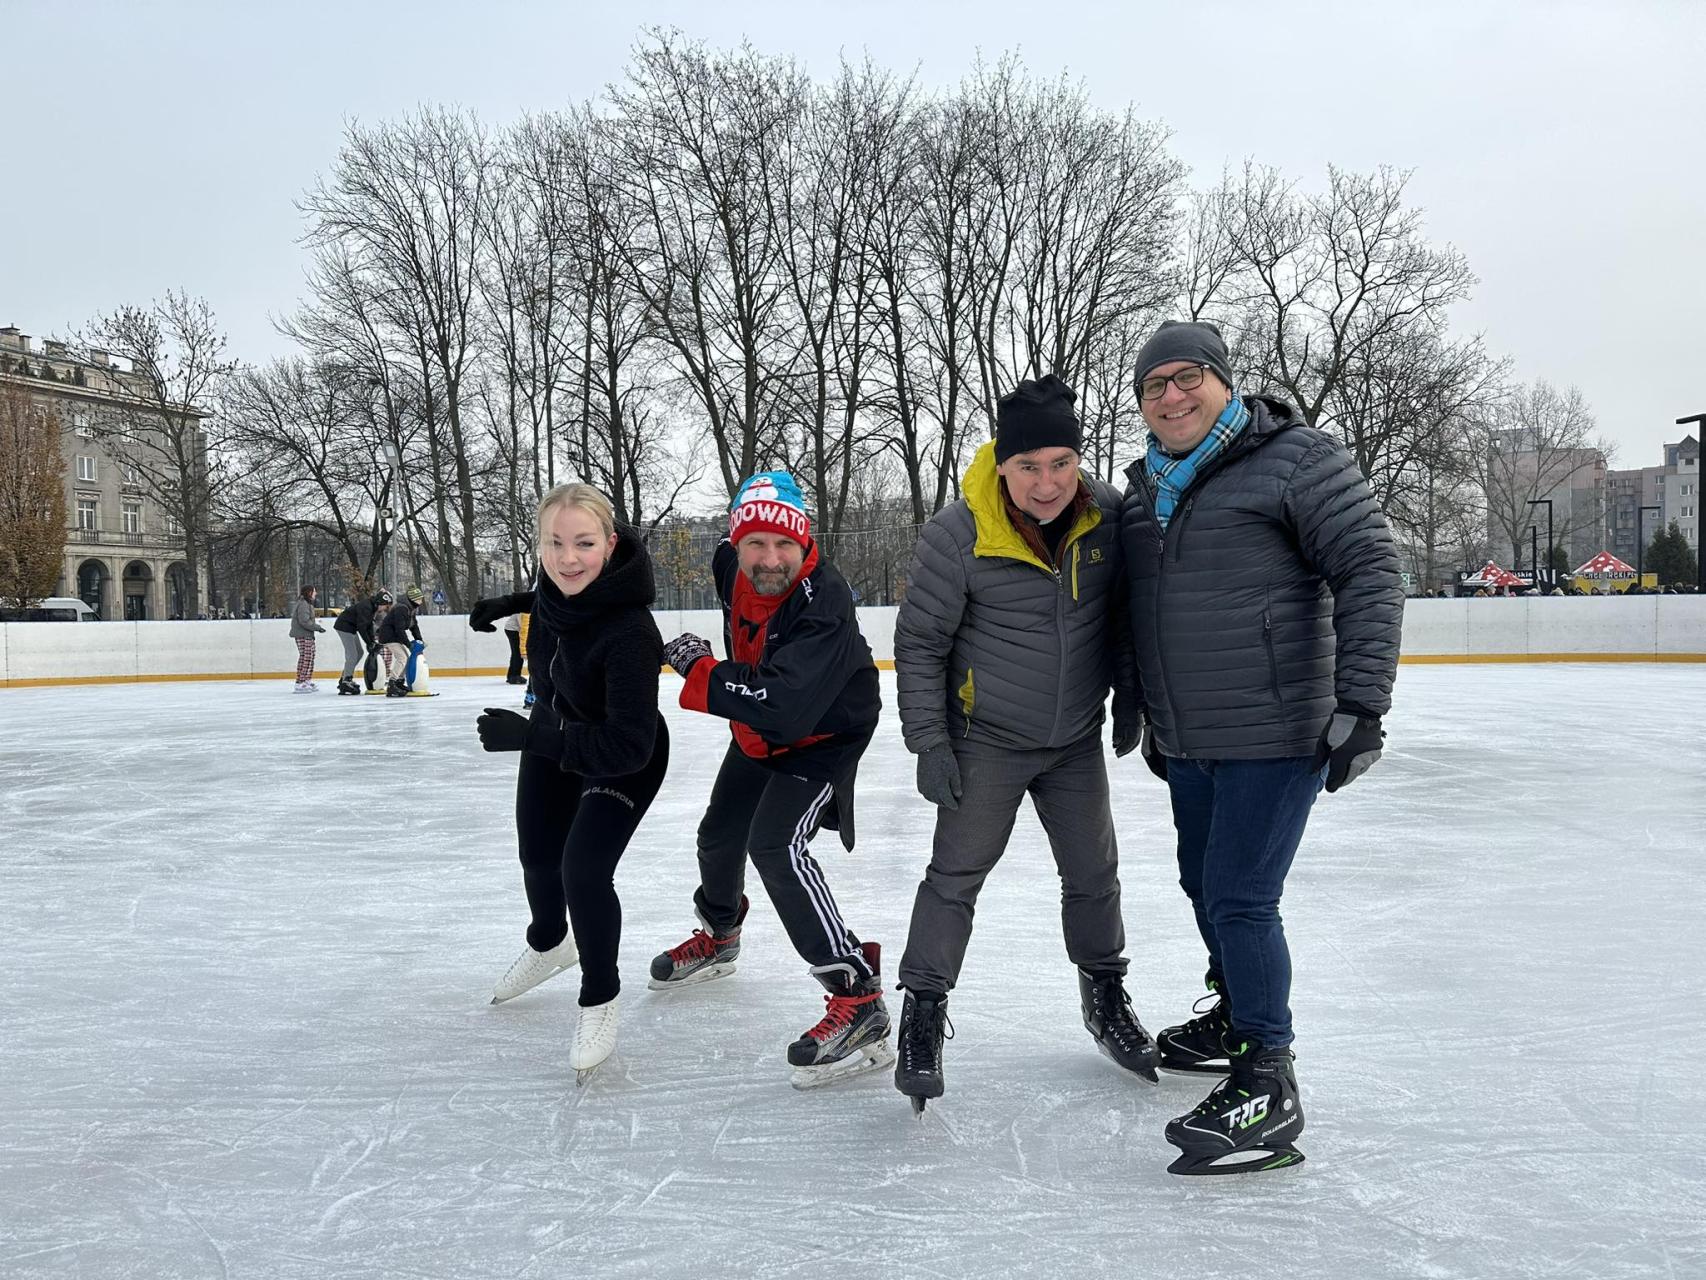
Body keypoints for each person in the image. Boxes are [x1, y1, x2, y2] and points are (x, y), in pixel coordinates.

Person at [1117, 320, 1402, 1176]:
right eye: (1154, 384)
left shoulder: (1298, 460)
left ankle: (1267, 1082)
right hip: (1189, 735)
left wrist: (1363, 704)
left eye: (1189, 377)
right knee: (1202, 884)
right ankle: (1237, 1017)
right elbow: (1138, 613)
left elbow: (1369, 569)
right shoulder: (1140, 492)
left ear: (1225, 382)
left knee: (1241, 897)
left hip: (1277, 731)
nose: (1173, 395)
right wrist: (1150, 718)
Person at [890, 374, 1158, 1116]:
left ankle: (1104, 994)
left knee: (1094, 872)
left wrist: (1129, 697)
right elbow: (919, 644)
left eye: (1061, 463)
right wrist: (929, 742)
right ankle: (922, 1011)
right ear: (1001, 465)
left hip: (1073, 739)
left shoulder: (1105, 516)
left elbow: (1125, 620)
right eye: (1029, 466)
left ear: (1079, 460)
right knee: (955, 877)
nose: (1047, 483)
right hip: (988, 741)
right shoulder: (960, 531)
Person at [652, 471, 891, 1090]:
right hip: (759, 726)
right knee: (719, 837)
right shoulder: (727, 567)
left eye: (784, 545)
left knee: (775, 844)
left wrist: (701, 669)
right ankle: (720, 934)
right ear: (735, 544)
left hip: (822, 733)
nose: (770, 559)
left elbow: (787, 704)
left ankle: (856, 997)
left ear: (804, 542)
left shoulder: (824, 599)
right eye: (755, 544)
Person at [472, 484, 669, 1084]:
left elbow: (627, 745)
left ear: (610, 545)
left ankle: (600, 997)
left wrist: (535, 738)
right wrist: (505, 604)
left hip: (624, 756)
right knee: (537, 856)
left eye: (583, 543)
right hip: (558, 731)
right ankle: (550, 941)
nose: (568, 558)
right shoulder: (556, 593)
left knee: (582, 871)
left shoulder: (632, 632)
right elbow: (551, 599)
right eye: (554, 543)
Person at [333, 589, 391, 694]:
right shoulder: (366, 607)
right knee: (353, 655)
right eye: (386, 606)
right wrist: (369, 643)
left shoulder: (372, 607)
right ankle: (347, 680)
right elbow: (362, 627)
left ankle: (344, 678)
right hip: (344, 627)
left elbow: (368, 626)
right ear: (380, 603)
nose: (385, 609)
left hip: (351, 627)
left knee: (359, 653)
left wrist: (372, 641)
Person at [378, 585, 426, 696]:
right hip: (389, 636)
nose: (421, 601)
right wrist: (409, 645)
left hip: (395, 636)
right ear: (413, 599)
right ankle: (392, 684)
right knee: (402, 658)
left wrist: (420, 640)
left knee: (407, 658)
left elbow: (414, 626)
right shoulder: (401, 608)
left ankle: (399, 682)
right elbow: (400, 630)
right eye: (419, 599)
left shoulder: (411, 609)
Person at [288, 585, 326, 692]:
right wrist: (317, 628)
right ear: (309, 592)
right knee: (306, 657)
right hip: (303, 634)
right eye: (314, 591)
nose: (316, 593)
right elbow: (304, 621)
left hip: (307, 634)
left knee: (309, 657)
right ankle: (301, 682)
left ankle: (306, 680)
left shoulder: (307, 604)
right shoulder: (303, 604)